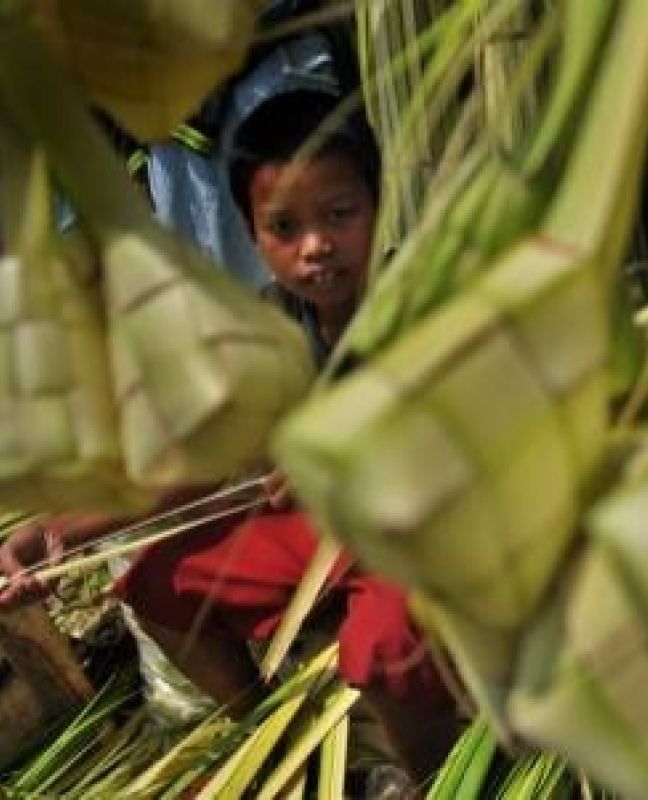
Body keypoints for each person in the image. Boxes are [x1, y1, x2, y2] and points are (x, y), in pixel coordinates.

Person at [0, 90, 458, 781]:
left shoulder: (417, 304)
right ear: (254, 235)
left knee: (381, 642)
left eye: (339, 215)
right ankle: (281, 747)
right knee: (159, 583)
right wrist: (60, 535)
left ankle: (436, 780)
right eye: (285, 227)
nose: (316, 247)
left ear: (377, 202)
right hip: (331, 534)